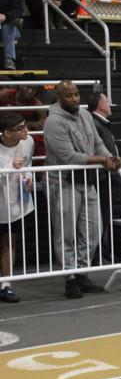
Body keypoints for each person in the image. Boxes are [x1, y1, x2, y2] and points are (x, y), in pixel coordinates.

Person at [43, 80, 121, 298]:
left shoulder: (86, 115)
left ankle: (82, 273)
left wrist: (110, 157)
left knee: (93, 231)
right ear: (59, 98)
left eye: (76, 94)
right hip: (64, 182)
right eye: (69, 96)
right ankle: (70, 277)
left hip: (87, 180)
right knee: (66, 233)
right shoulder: (53, 122)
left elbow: (97, 143)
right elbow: (69, 156)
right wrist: (102, 160)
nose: (75, 99)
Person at [0, 111, 34, 303]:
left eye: (25, 125)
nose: (25, 130)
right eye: (20, 128)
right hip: (1, 201)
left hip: (17, 203)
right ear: (7, 133)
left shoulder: (28, 142)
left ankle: (6, 285)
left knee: (9, 242)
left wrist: (29, 180)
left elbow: (28, 165)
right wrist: (8, 167)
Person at [87, 92, 118, 266]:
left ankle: (103, 253)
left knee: (105, 217)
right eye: (107, 101)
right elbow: (98, 148)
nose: (110, 104)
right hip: (101, 177)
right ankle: (98, 254)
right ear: (101, 105)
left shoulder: (102, 124)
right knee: (99, 217)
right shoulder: (95, 124)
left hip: (106, 176)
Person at [0, 0, 24, 71]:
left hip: (10, 26)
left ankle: (9, 59)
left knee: (7, 28)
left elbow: (19, 11)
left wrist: (5, 16)